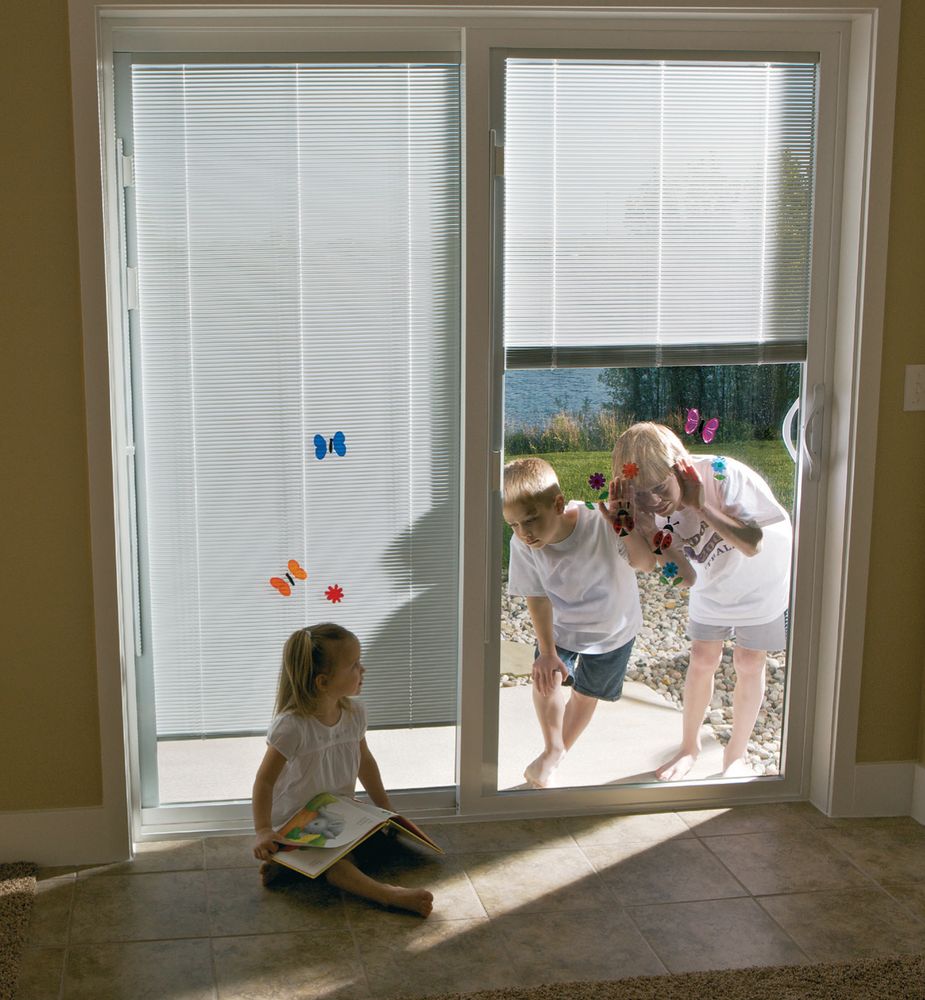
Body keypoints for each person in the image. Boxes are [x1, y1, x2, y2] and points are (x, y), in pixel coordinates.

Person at [611, 422, 792, 781]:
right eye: (642, 494)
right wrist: (635, 525)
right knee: (702, 657)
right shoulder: (647, 507)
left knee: (749, 661)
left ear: (681, 465)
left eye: (660, 488)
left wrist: (700, 506)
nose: (655, 500)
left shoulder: (722, 475)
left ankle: (734, 756)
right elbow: (685, 577)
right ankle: (688, 747)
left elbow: (753, 545)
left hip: (763, 574)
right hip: (714, 578)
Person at [252, 623, 434, 916]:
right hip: (297, 822)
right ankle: (387, 894)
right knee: (339, 865)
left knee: (383, 842)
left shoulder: (354, 713)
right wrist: (262, 830)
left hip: (336, 812)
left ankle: (292, 867)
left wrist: (386, 809)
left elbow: (365, 761)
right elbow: (264, 781)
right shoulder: (292, 727)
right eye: (354, 666)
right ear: (323, 682)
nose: (363, 670)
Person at [503, 457, 653, 788]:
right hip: (563, 628)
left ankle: (555, 756)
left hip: (613, 627)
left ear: (558, 504)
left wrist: (624, 524)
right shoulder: (523, 545)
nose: (524, 533)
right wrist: (546, 651)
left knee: (586, 695)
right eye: (512, 525)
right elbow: (537, 596)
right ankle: (553, 746)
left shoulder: (599, 522)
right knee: (547, 678)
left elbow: (645, 563)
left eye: (530, 520)